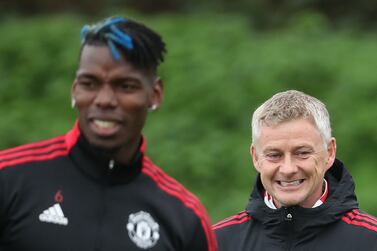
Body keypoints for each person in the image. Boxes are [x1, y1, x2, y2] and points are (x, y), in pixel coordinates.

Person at [0, 16, 217, 251]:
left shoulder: (183, 217)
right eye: (90, 83)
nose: (104, 100)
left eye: (125, 86)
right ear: (75, 90)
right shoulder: (9, 180)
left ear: (155, 94)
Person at [213, 90, 377, 250]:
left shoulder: (371, 240)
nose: (288, 169)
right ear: (256, 157)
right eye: (274, 155)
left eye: (303, 153)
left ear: (330, 152)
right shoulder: (216, 242)